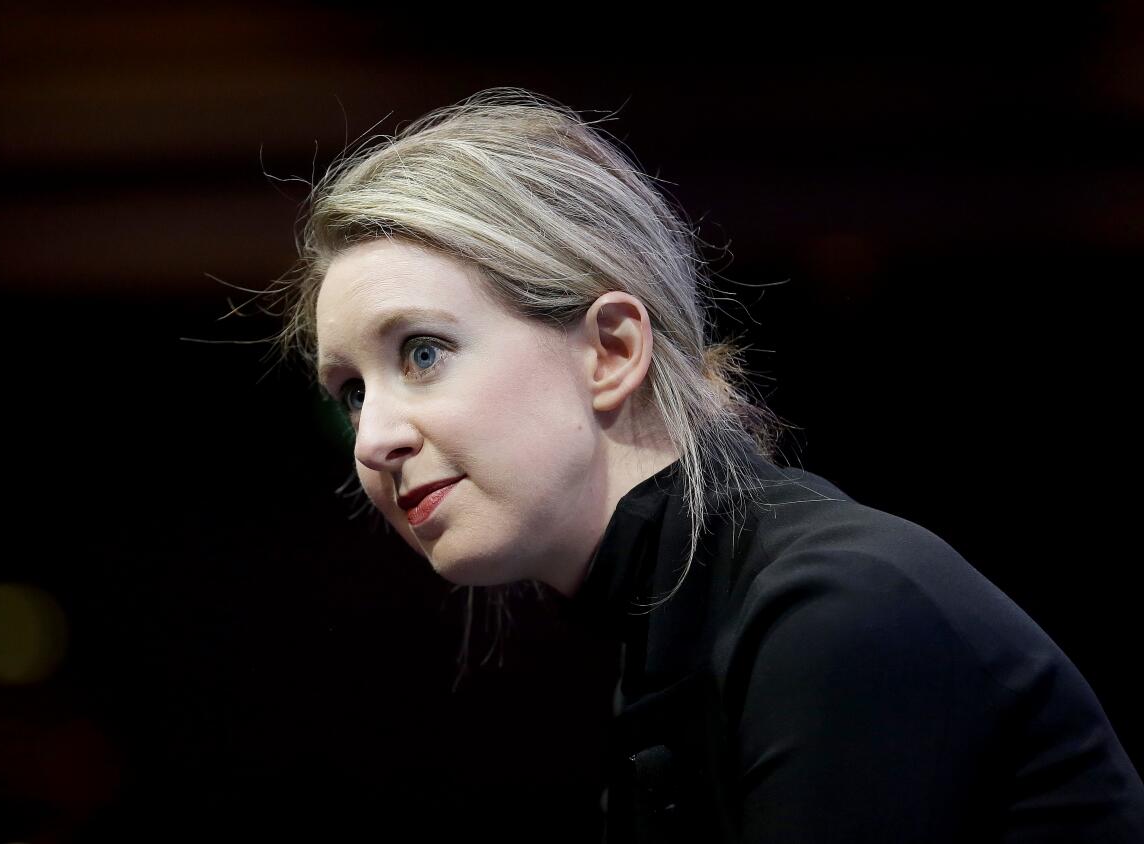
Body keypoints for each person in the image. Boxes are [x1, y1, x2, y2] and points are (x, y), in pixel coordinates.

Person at [264, 87, 1144, 841]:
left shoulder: (834, 612)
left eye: (421, 353)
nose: (372, 440)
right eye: (349, 392)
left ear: (610, 350)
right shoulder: (681, 639)